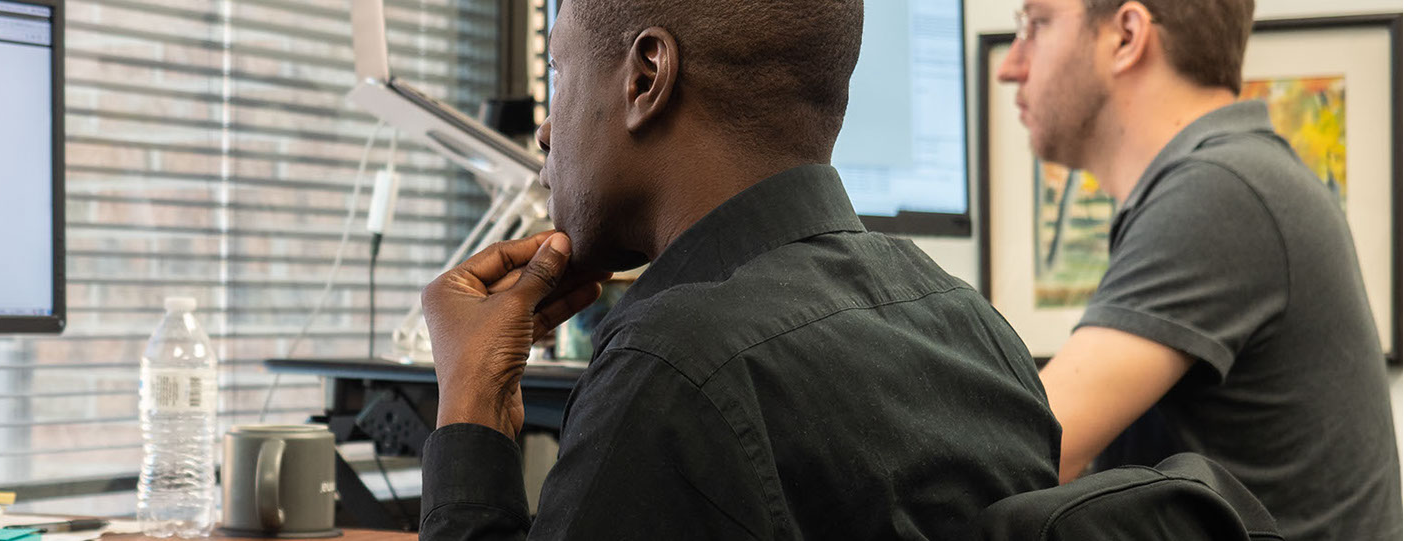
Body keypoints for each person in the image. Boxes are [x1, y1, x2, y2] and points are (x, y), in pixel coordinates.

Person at [415, 0, 1061, 538]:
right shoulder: (983, 337)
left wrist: (470, 404)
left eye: (558, 72)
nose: (546, 133)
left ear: (645, 78)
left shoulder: (669, 371)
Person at [996, 0, 1403, 538]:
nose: (1010, 65)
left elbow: (1018, 461)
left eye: (1036, 25)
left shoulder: (1220, 189)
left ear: (1126, 35)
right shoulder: (1239, 176)